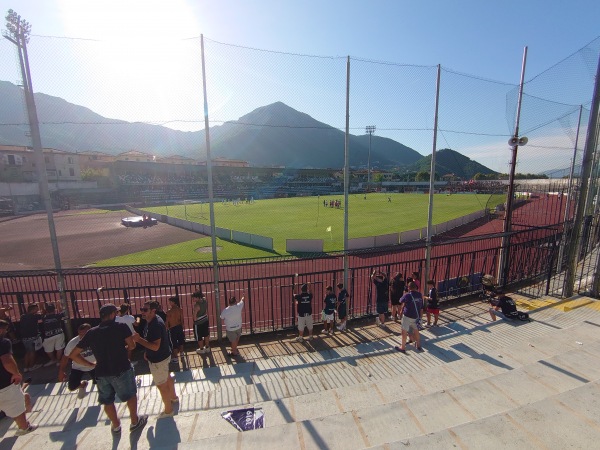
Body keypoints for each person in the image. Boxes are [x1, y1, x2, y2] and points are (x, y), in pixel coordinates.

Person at [70, 304, 147, 434]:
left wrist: (90, 364)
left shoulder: (92, 332)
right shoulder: (121, 327)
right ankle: (134, 421)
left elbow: (73, 354)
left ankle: (116, 425)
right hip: (121, 367)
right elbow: (132, 345)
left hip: (101, 372)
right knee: (130, 395)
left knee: (107, 400)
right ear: (112, 314)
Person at [132, 301, 178, 419]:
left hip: (158, 359)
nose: (142, 311)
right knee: (167, 376)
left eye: (145, 310)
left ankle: (168, 410)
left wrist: (139, 340)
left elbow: (155, 346)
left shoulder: (155, 325)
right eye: (142, 309)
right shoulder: (153, 320)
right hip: (163, 355)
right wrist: (147, 352)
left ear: (153, 311)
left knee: (161, 385)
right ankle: (173, 398)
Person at [0, 319, 37, 436]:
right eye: (5, 329)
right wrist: (16, 373)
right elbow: (7, 360)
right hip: (4, 384)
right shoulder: (3, 342)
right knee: (17, 406)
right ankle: (24, 427)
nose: (6, 332)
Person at [58, 323, 96, 398]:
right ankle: (83, 385)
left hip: (94, 365)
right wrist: (61, 371)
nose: (82, 337)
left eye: (84, 334)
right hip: (78, 367)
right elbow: (65, 357)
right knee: (72, 387)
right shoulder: (73, 343)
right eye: (80, 335)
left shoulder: (97, 339)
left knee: (100, 384)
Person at [396, 282, 424, 353]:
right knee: (416, 330)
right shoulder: (419, 295)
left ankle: (402, 347)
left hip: (407, 316)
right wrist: (420, 317)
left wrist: (404, 293)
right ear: (415, 287)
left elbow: (400, 300)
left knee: (404, 331)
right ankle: (418, 345)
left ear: (409, 288)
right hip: (416, 316)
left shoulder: (407, 295)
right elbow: (421, 307)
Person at [19, 304, 43, 373]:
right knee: (32, 352)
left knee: (28, 352)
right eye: (36, 309)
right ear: (33, 309)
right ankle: (32, 366)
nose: (37, 310)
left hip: (24, 337)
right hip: (32, 337)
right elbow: (43, 315)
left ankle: (26, 367)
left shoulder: (23, 316)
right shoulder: (34, 316)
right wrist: (42, 307)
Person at [166, 296, 185, 363]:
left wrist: (167, 328)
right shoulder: (180, 310)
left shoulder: (169, 312)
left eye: (170, 302)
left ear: (173, 302)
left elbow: (167, 322)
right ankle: (182, 353)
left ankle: (176, 358)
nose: (169, 303)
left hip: (172, 328)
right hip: (179, 327)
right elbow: (182, 320)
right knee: (181, 340)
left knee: (174, 343)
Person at [192, 289, 211, 354]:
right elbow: (203, 296)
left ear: (197, 297)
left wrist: (195, 321)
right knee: (206, 334)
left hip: (198, 322)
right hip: (205, 319)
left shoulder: (196, 306)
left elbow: (194, 317)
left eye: (194, 297)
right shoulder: (204, 300)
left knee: (199, 336)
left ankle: (201, 349)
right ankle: (207, 347)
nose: (193, 299)